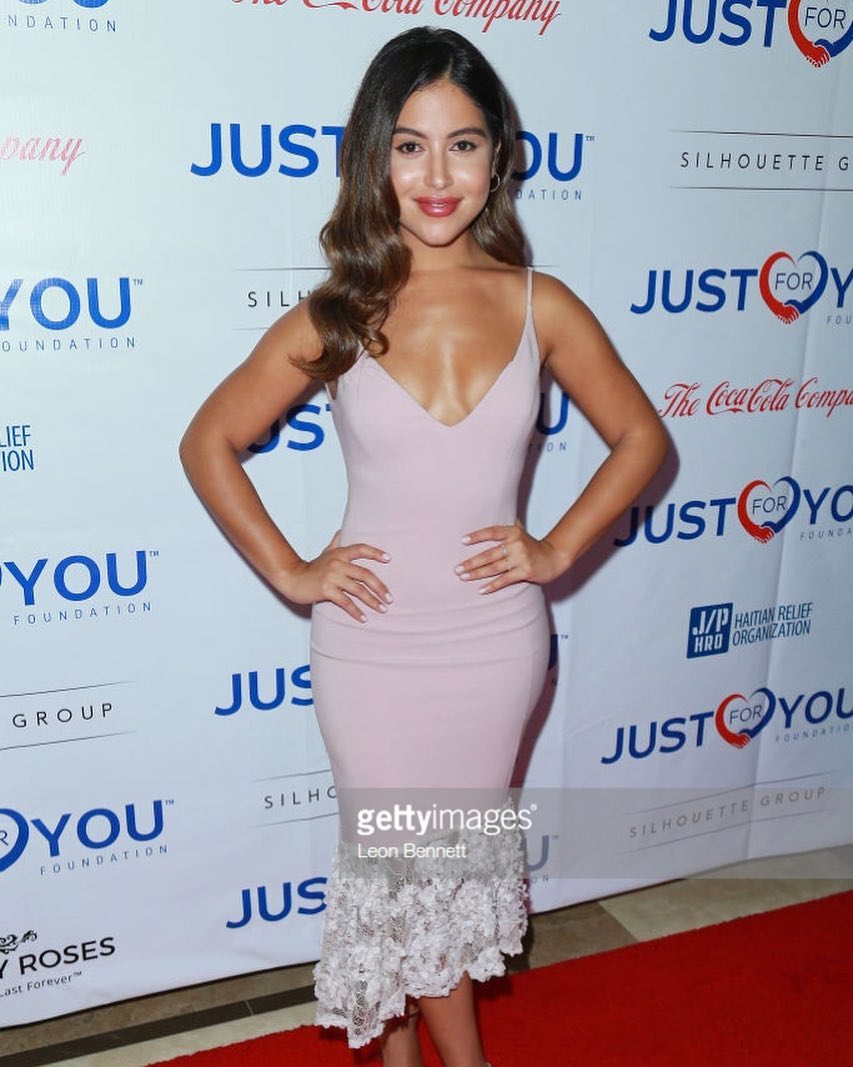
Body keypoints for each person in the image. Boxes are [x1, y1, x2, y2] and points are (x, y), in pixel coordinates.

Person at [179, 25, 668, 1067]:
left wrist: (554, 549)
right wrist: (293, 570)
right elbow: (208, 440)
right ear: (375, 156)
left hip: (492, 643)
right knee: (396, 864)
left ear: (498, 157)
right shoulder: (340, 311)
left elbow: (641, 440)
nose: (436, 176)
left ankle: (409, 1056)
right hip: (371, 643)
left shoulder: (541, 305)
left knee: (445, 864)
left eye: (462, 144)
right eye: (409, 146)